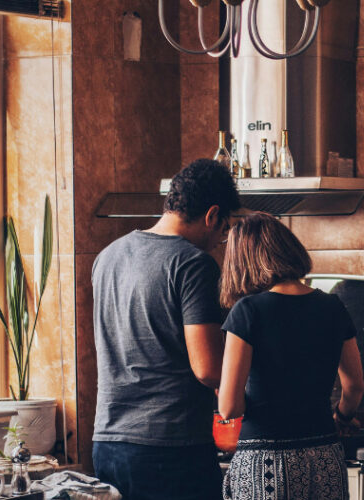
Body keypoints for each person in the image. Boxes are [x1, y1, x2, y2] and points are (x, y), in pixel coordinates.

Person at [91, 159, 240, 500]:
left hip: (108, 443)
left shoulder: (108, 256)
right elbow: (208, 369)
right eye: (224, 229)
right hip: (170, 449)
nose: (220, 240)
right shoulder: (193, 263)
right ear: (212, 215)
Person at [217, 213, 364, 500]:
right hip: (325, 456)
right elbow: (355, 386)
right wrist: (342, 417)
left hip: (265, 461)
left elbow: (229, 407)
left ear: (243, 261)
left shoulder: (248, 312)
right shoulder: (333, 306)